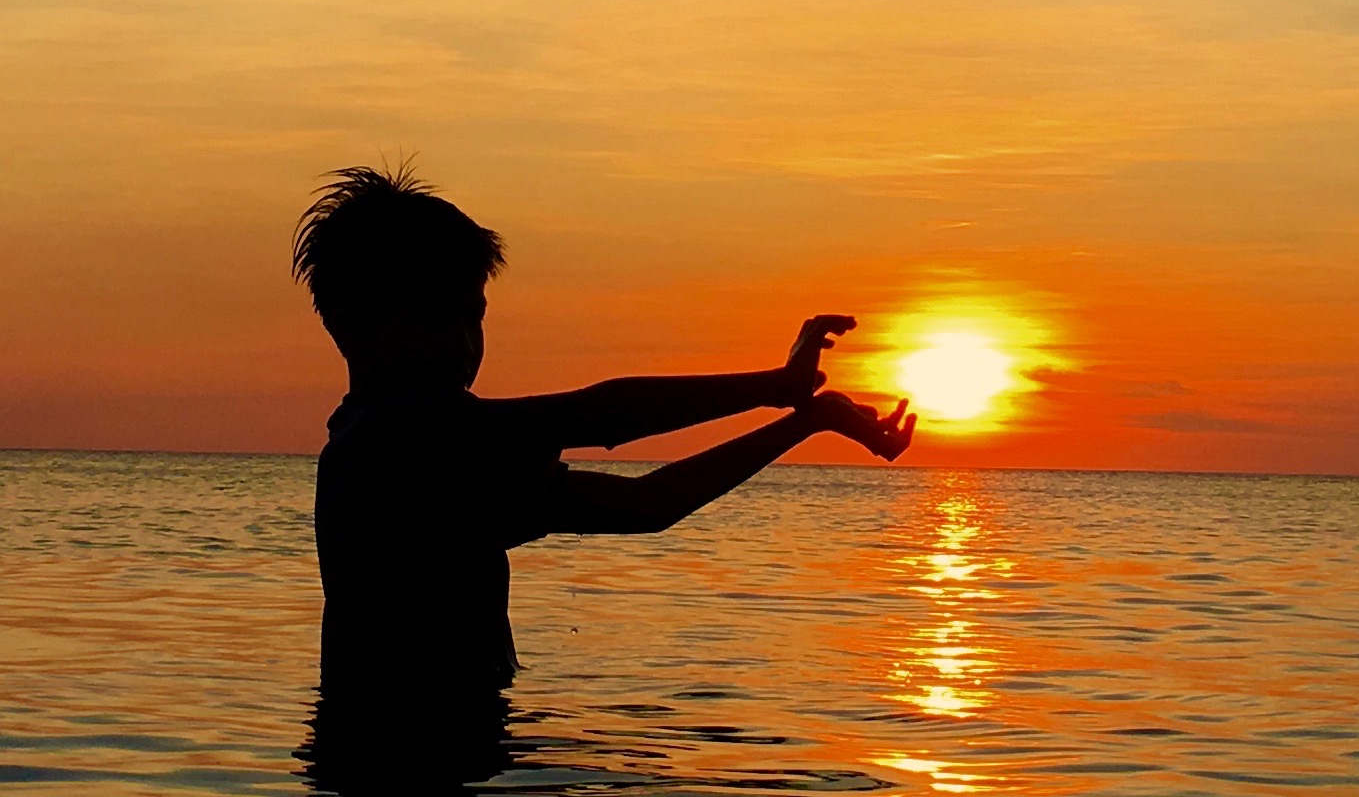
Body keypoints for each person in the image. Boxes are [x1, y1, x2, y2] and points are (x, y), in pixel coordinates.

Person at [293, 164, 913, 705]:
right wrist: (774, 387)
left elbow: (649, 505)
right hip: (390, 794)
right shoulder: (387, 440)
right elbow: (602, 415)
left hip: (456, 792)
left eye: (473, 317)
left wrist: (810, 419)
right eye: (433, 319)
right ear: (353, 326)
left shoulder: (447, 466)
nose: (462, 342)